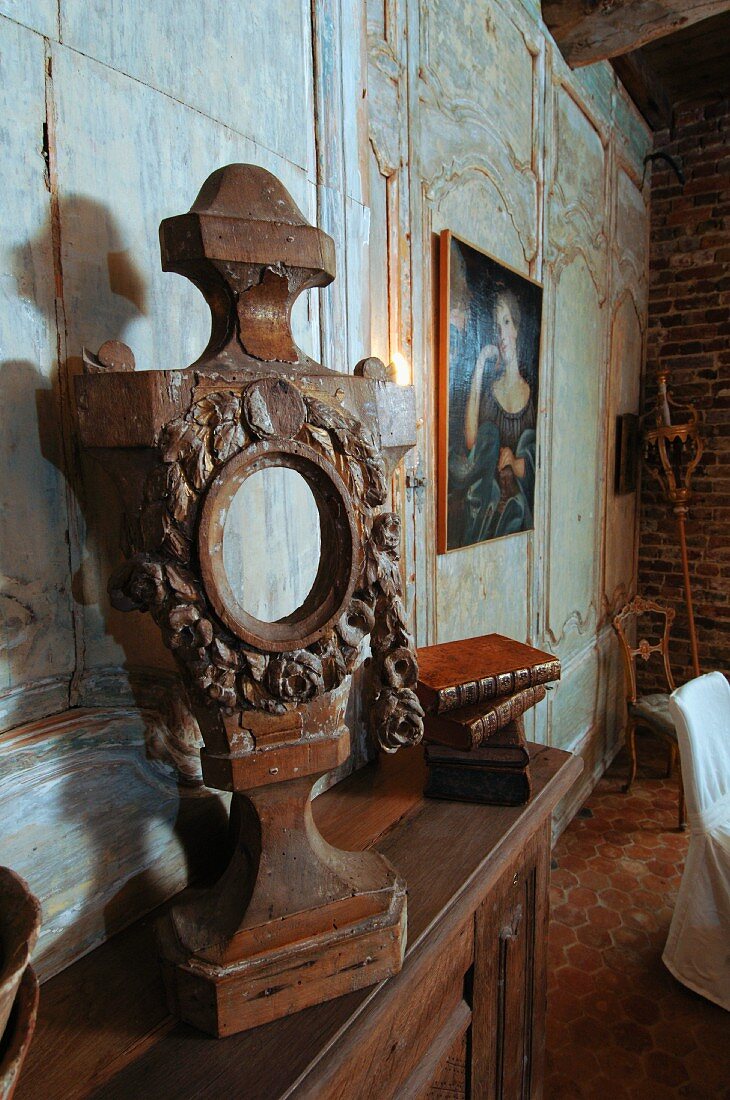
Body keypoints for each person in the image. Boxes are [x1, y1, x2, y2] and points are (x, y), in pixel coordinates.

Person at [458, 288, 536, 543]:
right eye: (496, 326)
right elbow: (472, 445)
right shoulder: (491, 393)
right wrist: (479, 366)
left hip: (519, 519)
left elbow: (539, 462)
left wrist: (514, 462)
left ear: (516, 329)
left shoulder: (533, 397)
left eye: (506, 322)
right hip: (487, 519)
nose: (502, 334)